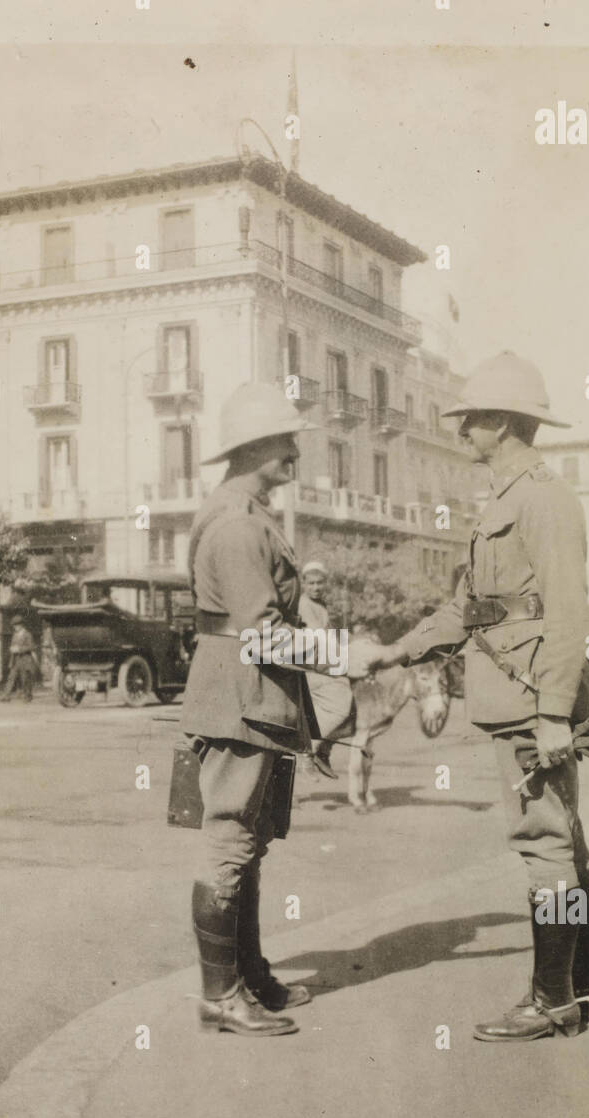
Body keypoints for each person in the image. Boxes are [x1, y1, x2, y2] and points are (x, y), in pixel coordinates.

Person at [366, 351, 589, 1042]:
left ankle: (551, 1002)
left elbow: (568, 611)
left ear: (505, 423)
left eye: (472, 419)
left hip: (532, 696)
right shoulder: (502, 503)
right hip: (515, 690)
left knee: (543, 842)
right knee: (562, 838)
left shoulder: (543, 500)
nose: (462, 430)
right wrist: (399, 649)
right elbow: (469, 610)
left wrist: (547, 713)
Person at [179, 381, 372, 1038]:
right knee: (229, 841)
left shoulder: (248, 514)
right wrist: (342, 653)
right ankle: (219, 997)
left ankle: (248, 973)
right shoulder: (236, 526)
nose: (295, 450)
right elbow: (261, 632)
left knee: (251, 843)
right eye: (286, 440)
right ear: (255, 447)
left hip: (256, 696)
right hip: (241, 696)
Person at [297, 561, 355, 778]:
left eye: (320, 583)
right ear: (303, 584)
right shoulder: (304, 605)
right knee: (343, 702)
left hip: (320, 660)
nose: (316, 587)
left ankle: (324, 751)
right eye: (311, 583)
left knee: (353, 705)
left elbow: (328, 633)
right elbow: (318, 635)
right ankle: (309, 752)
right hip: (308, 664)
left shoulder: (321, 605)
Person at [0, 617, 37, 702]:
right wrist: (12, 648)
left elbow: (31, 646)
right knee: (11, 677)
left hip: (25, 659)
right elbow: (13, 645)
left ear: (21, 625)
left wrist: (19, 649)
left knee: (25, 679)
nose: (15, 627)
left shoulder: (28, 634)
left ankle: (28, 696)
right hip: (15, 659)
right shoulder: (15, 635)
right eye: (14, 625)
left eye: (16, 625)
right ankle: (6, 695)